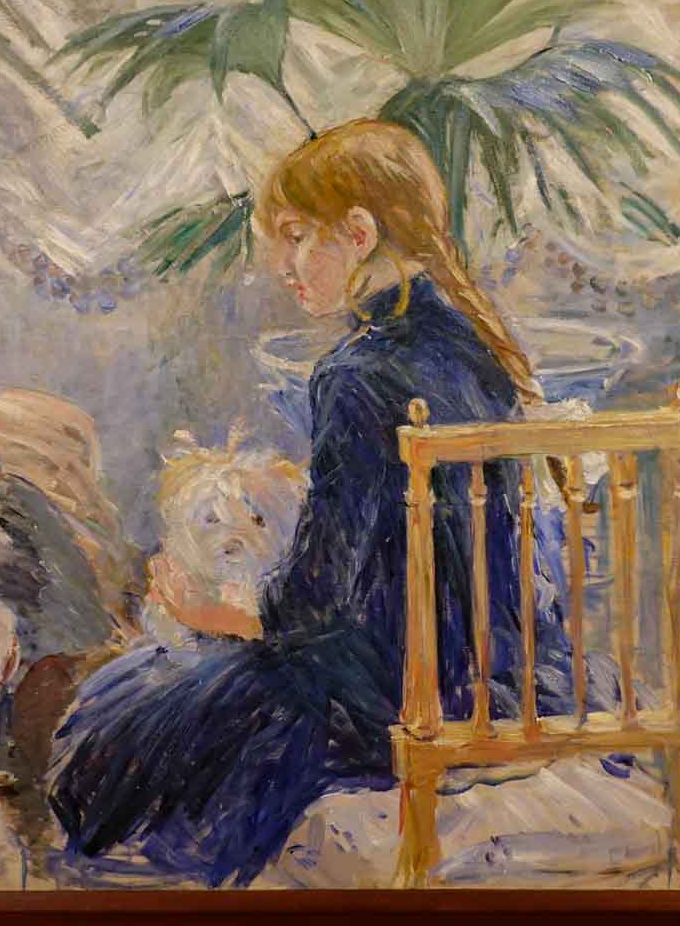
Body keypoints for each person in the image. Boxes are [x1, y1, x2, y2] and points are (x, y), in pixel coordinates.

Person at [47, 119, 595, 887]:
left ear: (359, 235)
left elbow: (320, 595)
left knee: (117, 707)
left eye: (297, 237)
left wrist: (218, 612)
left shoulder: (357, 376)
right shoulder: (473, 350)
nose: (283, 266)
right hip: (491, 676)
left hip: (381, 691)